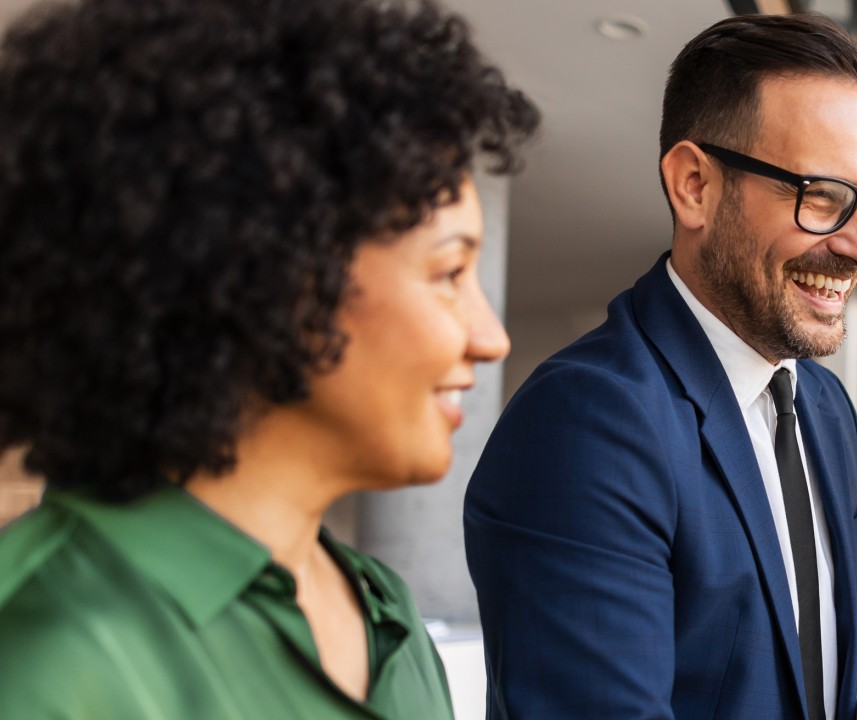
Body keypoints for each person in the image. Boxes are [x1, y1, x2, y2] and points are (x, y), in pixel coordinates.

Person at [0, 0, 539, 716]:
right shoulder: (46, 654)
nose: (490, 336)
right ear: (277, 272)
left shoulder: (391, 622)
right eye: (448, 273)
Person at [464, 12, 857, 720]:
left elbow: (830, 611)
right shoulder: (587, 423)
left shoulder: (826, 408)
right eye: (825, 198)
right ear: (693, 186)